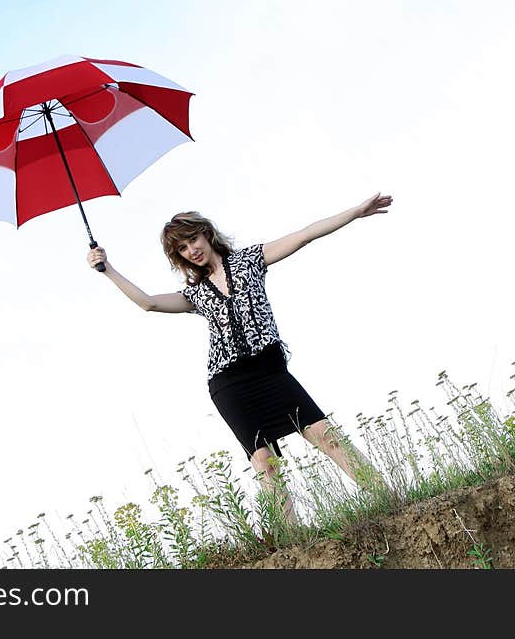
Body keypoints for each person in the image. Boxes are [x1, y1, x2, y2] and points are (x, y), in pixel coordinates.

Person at [86, 192, 394, 524]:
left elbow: (304, 234)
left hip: (271, 371)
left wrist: (356, 212)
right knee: (264, 462)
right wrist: (108, 269)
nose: (193, 249)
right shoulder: (196, 294)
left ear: (206, 233)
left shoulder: (250, 260)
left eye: (193, 239)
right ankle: (293, 540)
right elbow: (148, 302)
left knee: (325, 435)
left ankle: (390, 501)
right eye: (183, 248)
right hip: (229, 384)